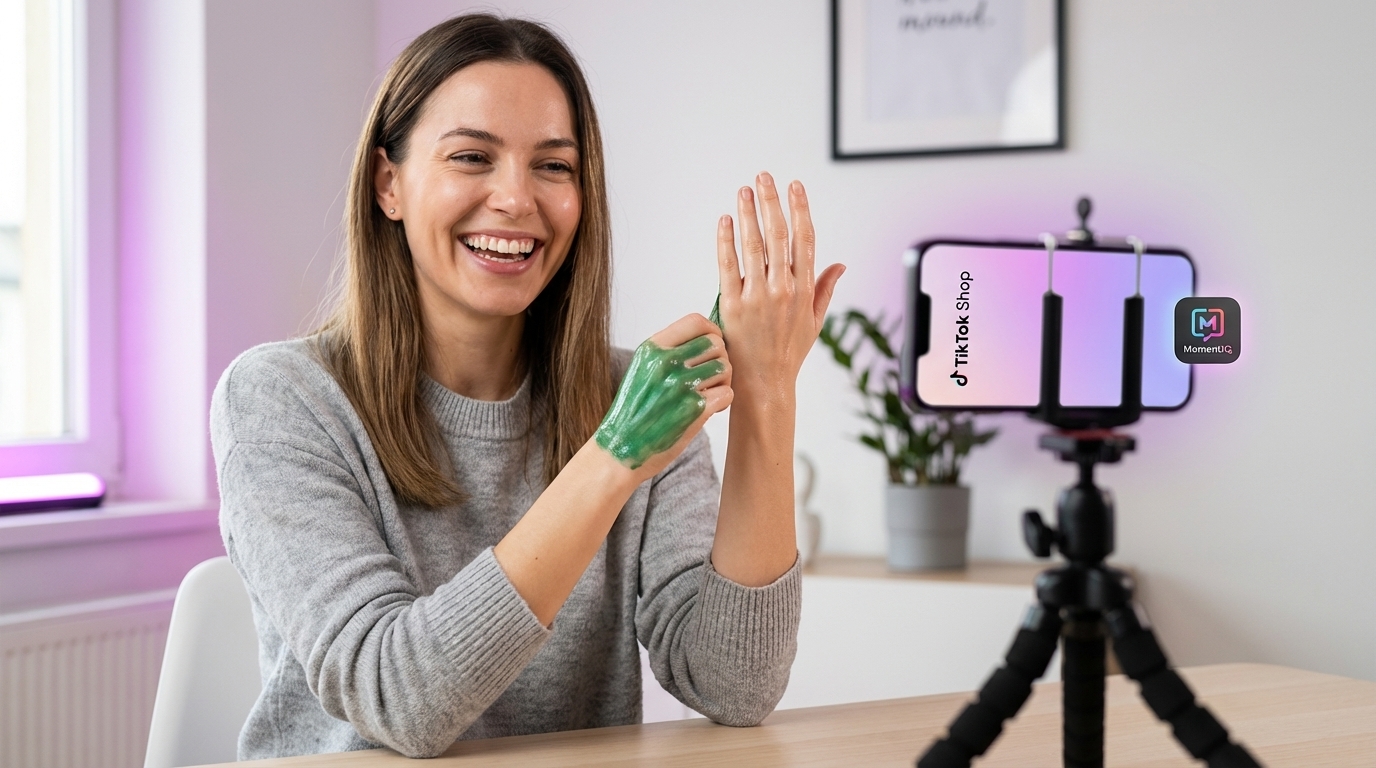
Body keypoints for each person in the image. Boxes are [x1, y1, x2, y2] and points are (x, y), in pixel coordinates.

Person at [210, 14, 844, 760]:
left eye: (554, 166)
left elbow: (735, 687)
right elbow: (397, 699)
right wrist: (613, 453)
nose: (516, 198)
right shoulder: (282, 399)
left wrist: (767, 398)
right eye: (472, 157)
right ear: (389, 184)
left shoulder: (631, 391)